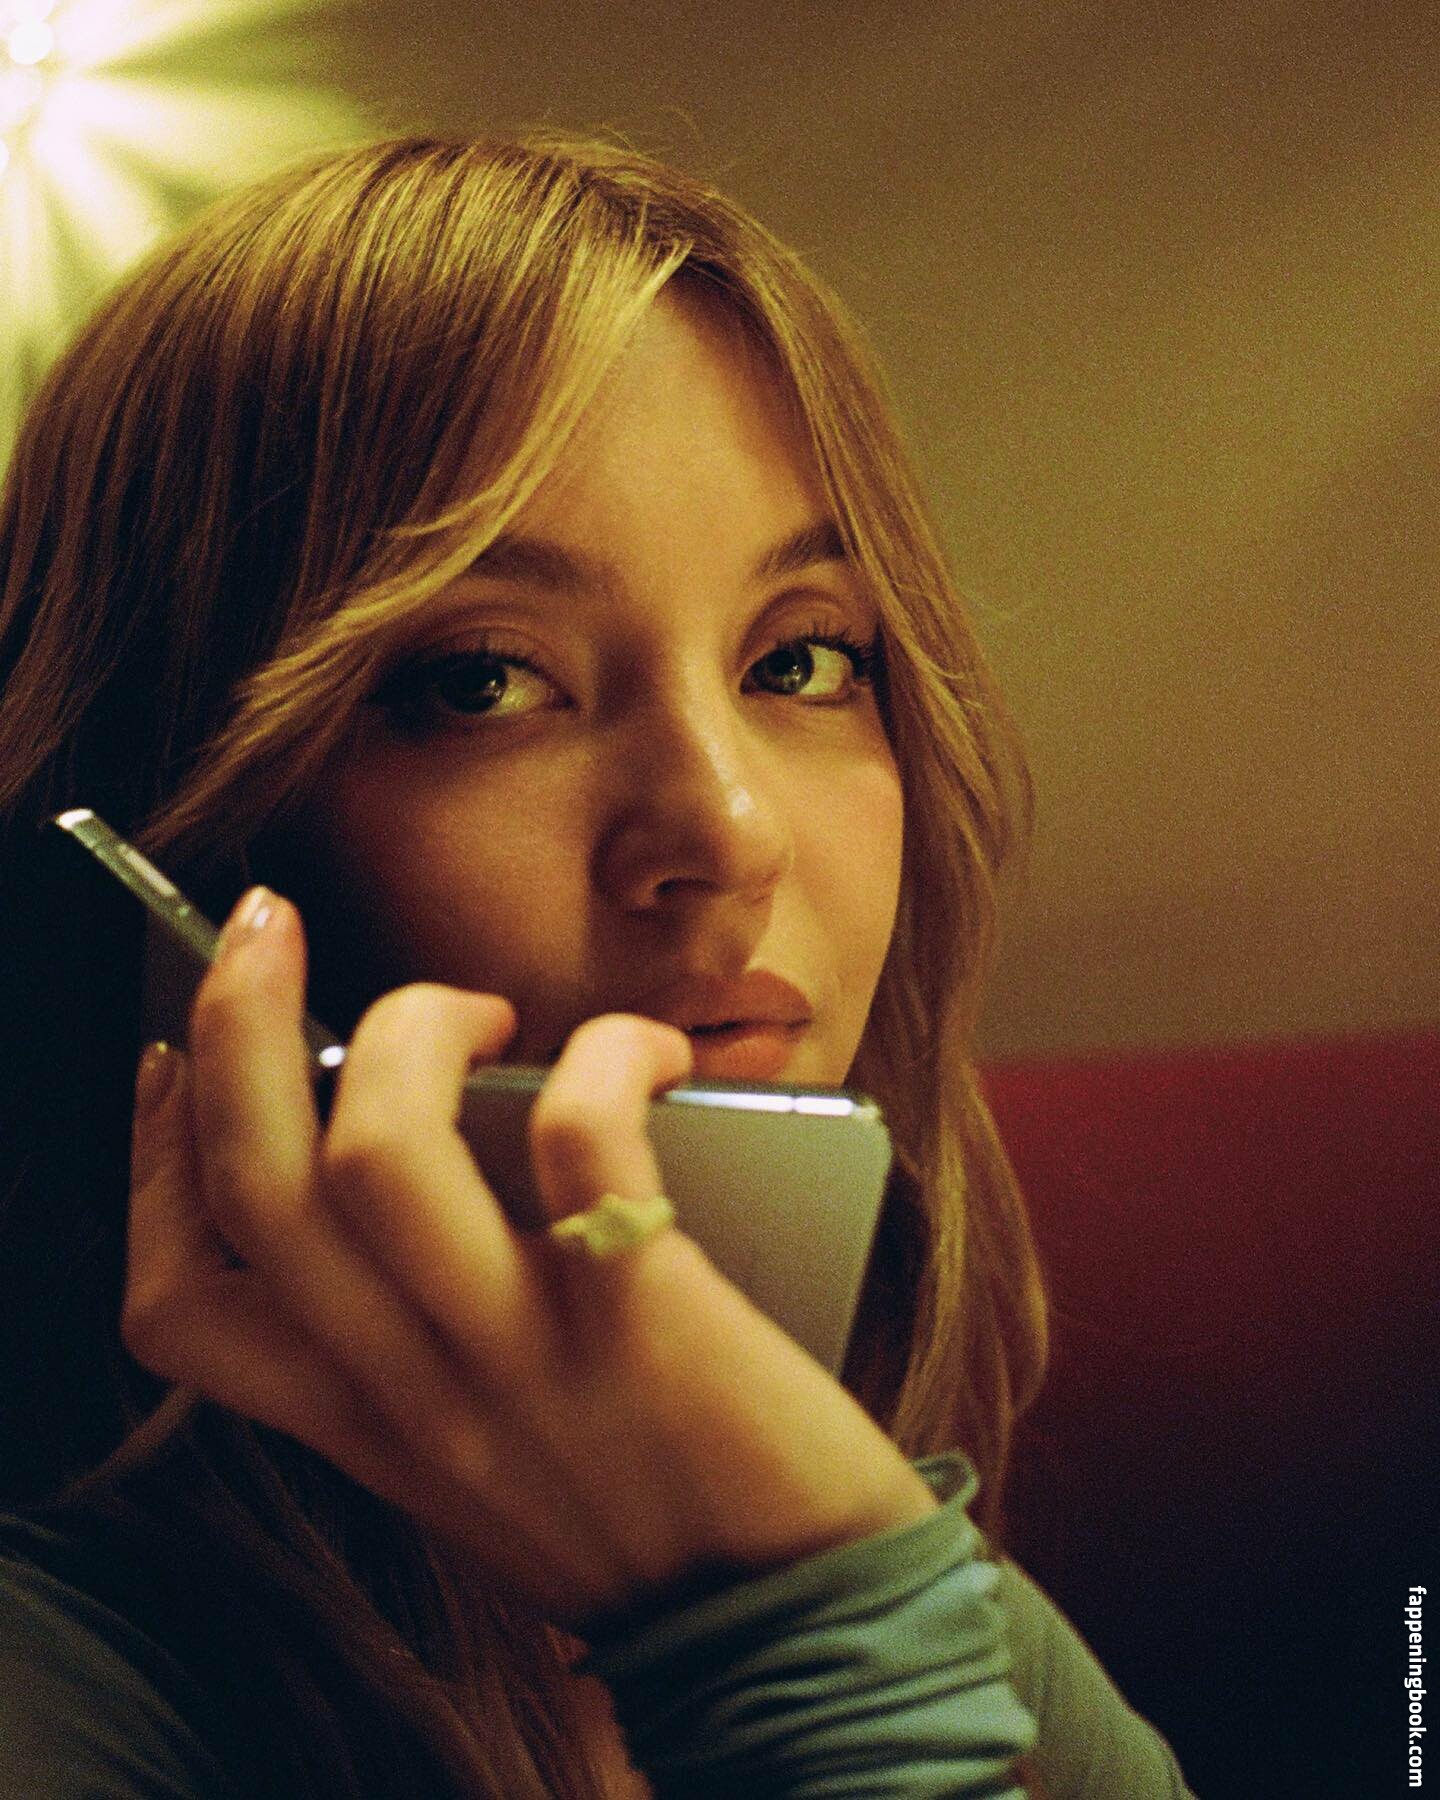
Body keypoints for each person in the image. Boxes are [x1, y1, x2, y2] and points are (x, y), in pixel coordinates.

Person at [0, 134, 1196, 1797]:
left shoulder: (862, 1552)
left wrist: (804, 1610)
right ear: (170, 866)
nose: (730, 831)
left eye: (803, 659)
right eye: (484, 681)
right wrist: (791, 1645)